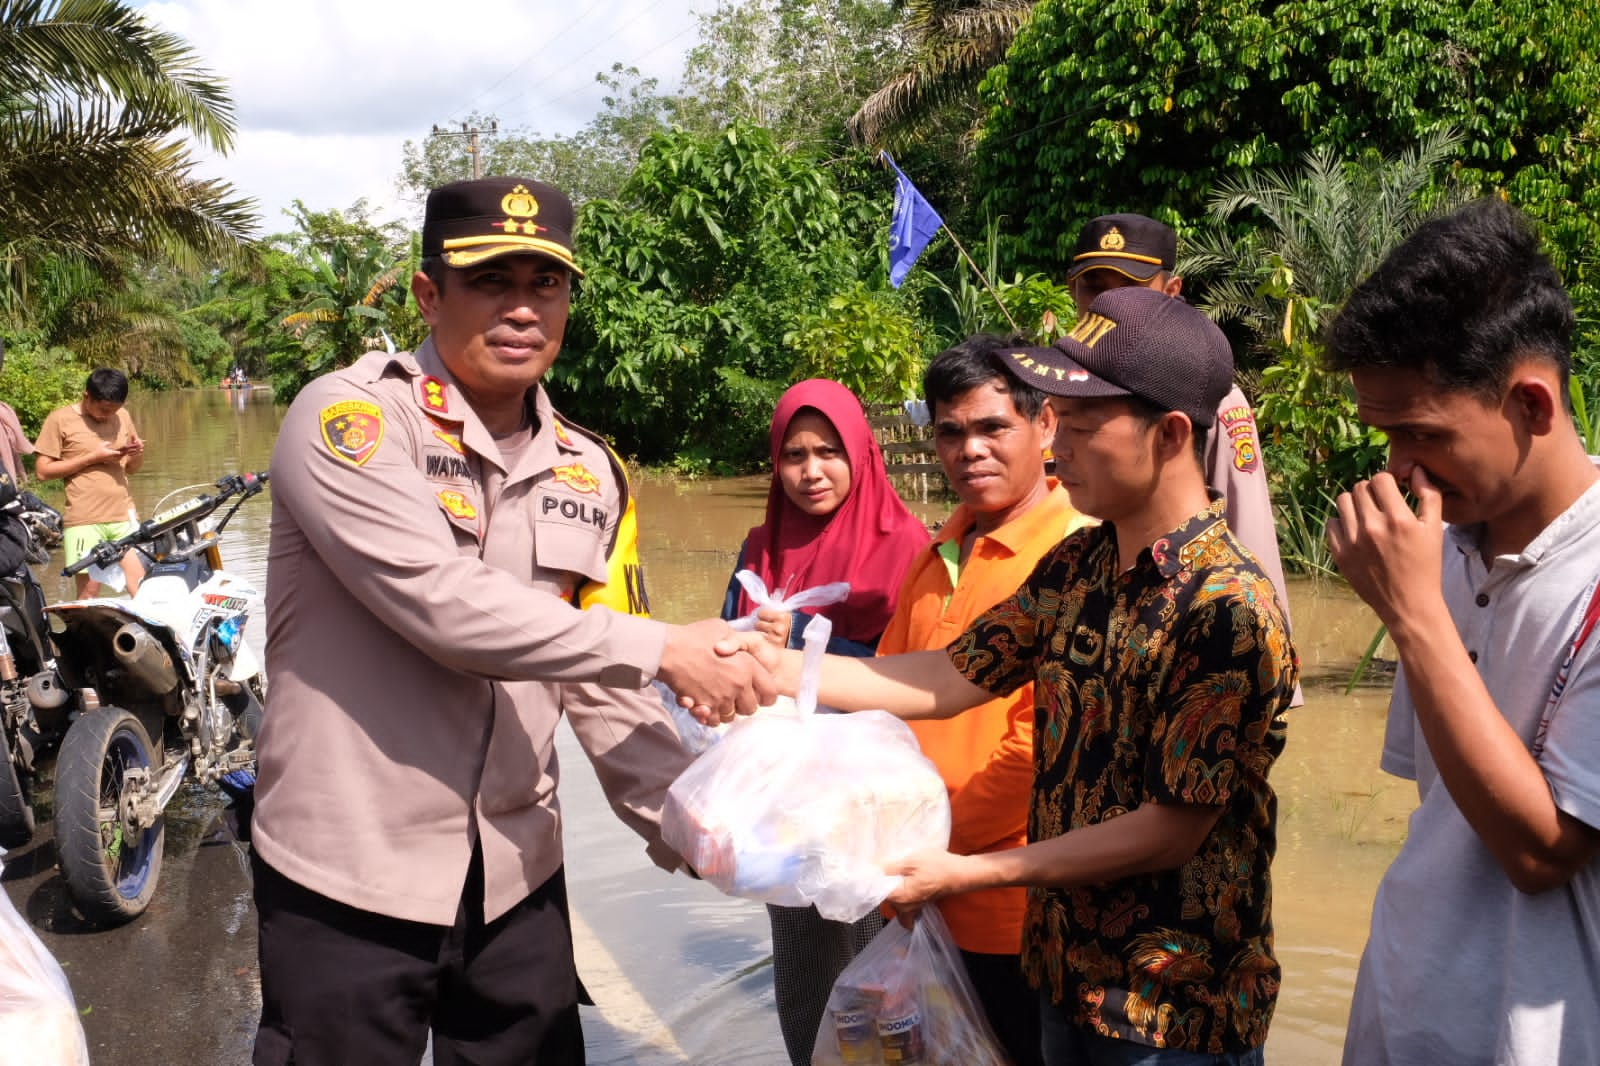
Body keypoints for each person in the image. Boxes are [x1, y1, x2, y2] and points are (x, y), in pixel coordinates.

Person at [249, 175, 775, 1066]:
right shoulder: (349, 420)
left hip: (515, 874)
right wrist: (666, 649)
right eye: (493, 281)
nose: (524, 308)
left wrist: (691, 822)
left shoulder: (591, 471)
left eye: (546, 284)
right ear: (429, 293)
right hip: (349, 870)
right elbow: (440, 602)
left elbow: (600, 678)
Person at [729, 287, 1298, 1064]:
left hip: (1172, 1005)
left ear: (1168, 434)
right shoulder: (1081, 566)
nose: (1059, 451)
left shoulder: (1228, 606)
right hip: (1063, 970)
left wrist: (968, 872)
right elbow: (949, 676)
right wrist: (779, 667)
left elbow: (1172, 829)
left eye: (1087, 428)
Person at [1323, 199, 1600, 1065]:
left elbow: (1540, 851)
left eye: (1421, 434)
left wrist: (1410, 615)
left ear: (1532, 403)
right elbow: (1441, 812)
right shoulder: (1438, 555)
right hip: (1406, 1008)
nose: (1399, 470)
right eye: (1385, 435)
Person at [876, 335, 1092, 1066]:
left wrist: (932, 848)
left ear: (1046, 426)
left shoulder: (1078, 552)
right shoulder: (940, 548)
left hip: (1016, 907)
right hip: (923, 891)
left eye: (993, 427)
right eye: (951, 431)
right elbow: (887, 707)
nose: (970, 450)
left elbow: (1041, 750)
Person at [721, 376, 931, 1066]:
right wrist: (754, 636)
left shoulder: (911, 551)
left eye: (829, 452)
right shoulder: (760, 550)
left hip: (878, 795)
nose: (811, 472)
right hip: (787, 797)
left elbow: (928, 672)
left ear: (863, 455)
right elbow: (724, 657)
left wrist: (811, 643)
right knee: (803, 954)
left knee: (884, 954)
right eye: (794, 455)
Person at [1065, 214, 1296, 642]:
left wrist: (1265, 650)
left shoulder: (1211, 394)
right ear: (1072, 291)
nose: (1110, 304)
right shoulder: (1053, 385)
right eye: (1094, 287)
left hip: (1170, 632)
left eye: (1131, 287)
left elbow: (1249, 524)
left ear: (1172, 291)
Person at [33, 367, 145, 597]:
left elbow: (132, 469)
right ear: (86, 396)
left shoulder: (122, 417)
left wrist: (136, 452)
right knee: (88, 594)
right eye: (103, 409)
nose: (107, 415)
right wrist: (92, 458)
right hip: (83, 519)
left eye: (114, 410)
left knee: (142, 585)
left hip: (123, 514)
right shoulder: (60, 420)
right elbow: (42, 472)